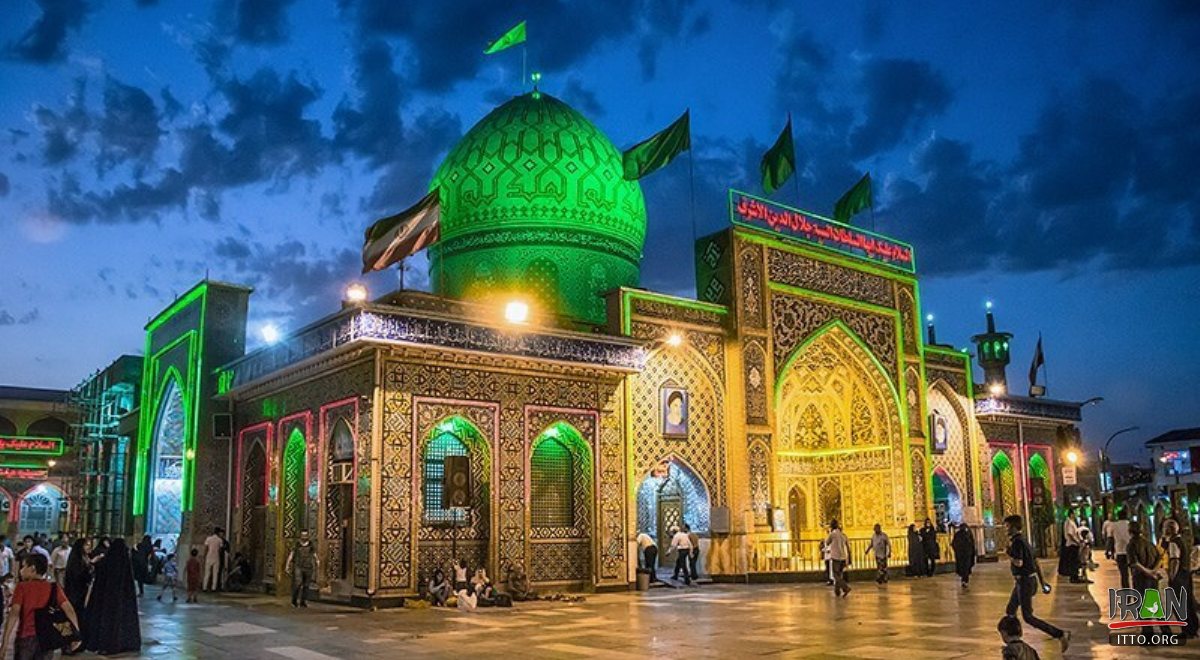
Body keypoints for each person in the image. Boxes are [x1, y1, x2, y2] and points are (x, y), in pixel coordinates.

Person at [1004, 514, 1069, 652]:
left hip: (1024, 581)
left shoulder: (1016, 543)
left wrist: (1008, 554)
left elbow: (1019, 562)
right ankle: (1013, 637)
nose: (1006, 529)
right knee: (1010, 610)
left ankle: (1059, 634)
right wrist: (1043, 582)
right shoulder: (1026, 541)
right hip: (1028, 580)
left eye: (1008, 526)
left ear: (1014, 527)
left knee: (1028, 616)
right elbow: (1036, 562)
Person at [1, 554, 82, 660]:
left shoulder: (22, 587)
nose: (21, 570)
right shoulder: (54, 588)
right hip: (47, 638)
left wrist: (4, 643)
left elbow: (13, 615)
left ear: (32, 568)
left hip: (26, 638)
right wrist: (76, 634)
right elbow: (69, 610)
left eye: (24, 566)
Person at [82, 537, 140, 655]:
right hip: (124, 600)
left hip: (107, 599)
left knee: (108, 621)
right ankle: (126, 643)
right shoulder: (125, 563)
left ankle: (106, 644)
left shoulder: (107, 561)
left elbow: (100, 577)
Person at [1162, 519, 1199, 638]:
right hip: (1186, 574)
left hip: (1179, 576)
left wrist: (1172, 577)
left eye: (1165, 528)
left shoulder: (1173, 543)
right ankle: (1193, 628)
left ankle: (1186, 631)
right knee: (1188, 602)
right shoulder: (1183, 540)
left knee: (1178, 604)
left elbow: (1174, 560)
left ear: (1169, 529)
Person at [63, 538, 93, 629]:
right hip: (76, 591)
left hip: (83, 590)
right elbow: (77, 574)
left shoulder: (85, 557)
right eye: (86, 545)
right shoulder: (76, 559)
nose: (88, 547)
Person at [285, 530, 317, 608]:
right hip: (298, 566)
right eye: (302, 535)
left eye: (305, 535)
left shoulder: (311, 544)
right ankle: (294, 600)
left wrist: (317, 561)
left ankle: (303, 601)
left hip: (308, 566)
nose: (304, 537)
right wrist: (287, 565)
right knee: (298, 583)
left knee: (306, 585)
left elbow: (314, 554)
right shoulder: (297, 544)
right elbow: (291, 555)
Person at [1106, 508, 1132, 589]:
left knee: (1124, 575)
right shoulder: (1130, 524)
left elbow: (1110, 539)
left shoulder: (1113, 525)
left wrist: (1108, 551)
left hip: (1120, 552)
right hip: (1131, 552)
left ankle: (1126, 591)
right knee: (1135, 574)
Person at [824, 519, 851, 597]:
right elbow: (847, 546)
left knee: (836, 575)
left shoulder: (833, 534)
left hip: (836, 557)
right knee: (840, 574)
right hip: (843, 557)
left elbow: (827, 542)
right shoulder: (843, 535)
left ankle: (845, 588)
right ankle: (837, 591)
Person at [951, 523, 977, 588]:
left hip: (964, 554)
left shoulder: (965, 534)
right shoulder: (966, 534)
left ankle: (964, 580)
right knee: (965, 567)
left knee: (965, 567)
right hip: (965, 554)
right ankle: (964, 580)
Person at [202, 528, 223, 592]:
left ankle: (204, 587)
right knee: (215, 573)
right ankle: (213, 588)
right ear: (218, 532)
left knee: (207, 573)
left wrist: (204, 556)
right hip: (216, 557)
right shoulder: (219, 540)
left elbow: (206, 548)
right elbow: (220, 550)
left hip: (209, 557)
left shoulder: (208, 539)